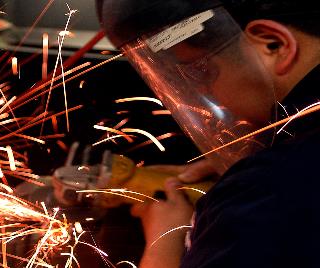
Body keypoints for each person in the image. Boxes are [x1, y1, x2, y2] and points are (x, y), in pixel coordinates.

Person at [97, 0, 320, 267]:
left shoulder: (269, 187)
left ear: (274, 45)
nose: (207, 96)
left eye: (203, 71)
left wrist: (165, 241)